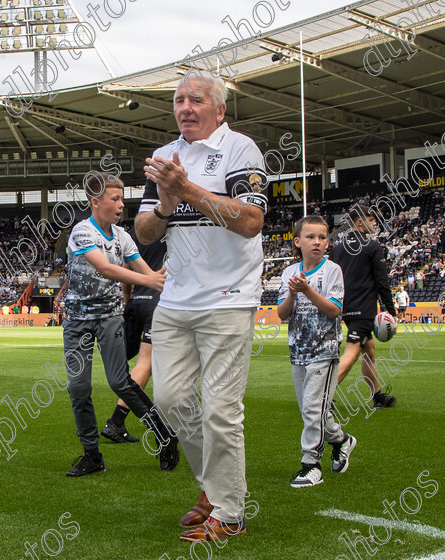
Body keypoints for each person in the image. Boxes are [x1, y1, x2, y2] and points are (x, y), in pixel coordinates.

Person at [136, 73, 267, 542]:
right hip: (175, 298)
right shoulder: (166, 157)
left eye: (196, 100)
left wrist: (188, 190)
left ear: (220, 109)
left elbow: (251, 221)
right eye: (178, 100)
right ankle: (212, 490)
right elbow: (146, 232)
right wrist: (167, 203)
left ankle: (230, 513)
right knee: (171, 401)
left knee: (221, 410)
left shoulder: (241, 150)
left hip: (228, 299)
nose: (186, 108)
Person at [62, 173, 179, 477]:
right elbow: (105, 268)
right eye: (115, 199)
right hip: (77, 320)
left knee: (119, 381)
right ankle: (92, 455)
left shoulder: (123, 236)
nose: (121, 204)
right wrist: (149, 279)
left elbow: (146, 271)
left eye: (121, 198)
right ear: (96, 202)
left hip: (110, 317)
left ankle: (164, 435)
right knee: (78, 387)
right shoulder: (81, 232)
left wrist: (163, 278)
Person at [277, 216, 356, 488]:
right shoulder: (288, 273)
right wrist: (292, 294)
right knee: (313, 411)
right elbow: (282, 314)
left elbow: (334, 310)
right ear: (298, 242)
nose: (318, 242)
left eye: (322, 237)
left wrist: (307, 290)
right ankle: (342, 441)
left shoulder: (332, 270)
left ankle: (311, 464)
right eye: (311, 237)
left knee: (313, 409)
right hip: (298, 350)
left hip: (325, 349)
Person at [329, 205, 398, 409]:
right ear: (360, 222)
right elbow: (382, 282)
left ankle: (377, 396)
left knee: (369, 351)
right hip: (364, 308)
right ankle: (324, 397)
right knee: (352, 352)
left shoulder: (338, 249)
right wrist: (392, 312)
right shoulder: (372, 246)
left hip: (345, 307)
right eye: (371, 219)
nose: (375, 223)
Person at [100, 235, 166, 444]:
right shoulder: (177, 233)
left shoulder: (140, 235)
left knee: (133, 359)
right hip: (159, 303)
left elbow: (125, 268)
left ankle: (117, 421)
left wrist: (129, 300)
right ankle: (116, 422)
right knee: (146, 364)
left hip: (137, 302)